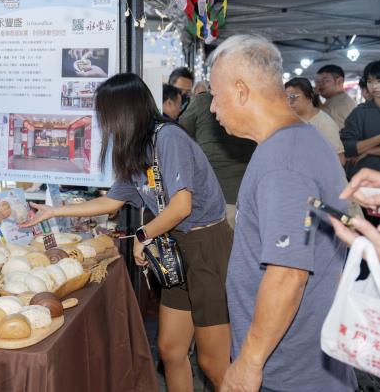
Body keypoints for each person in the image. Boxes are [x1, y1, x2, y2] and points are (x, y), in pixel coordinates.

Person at [25, 73, 233, 392]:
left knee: (212, 363)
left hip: (207, 245)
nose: (102, 122)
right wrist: (55, 210)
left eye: (104, 113)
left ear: (121, 111)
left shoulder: (168, 138)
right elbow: (112, 200)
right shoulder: (137, 149)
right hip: (175, 249)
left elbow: (181, 206)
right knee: (171, 350)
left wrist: (142, 235)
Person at [208, 34, 356, 392]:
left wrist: (249, 362)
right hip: (308, 362)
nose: (212, 107)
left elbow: (289, 274)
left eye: (215, 93)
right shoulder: (298, 141)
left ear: (241, 90)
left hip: (290, 372)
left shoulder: (284, 161)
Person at [179, 91, 256, 228]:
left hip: (210, 197)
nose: (213, 108)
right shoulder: (253, 103)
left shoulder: (203, 101)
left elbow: (180, 133)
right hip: (246, 197)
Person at [341, 60, 380, 225]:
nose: (374, 86)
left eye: (378, 81)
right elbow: (348, 148)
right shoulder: (360, 113)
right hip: (366, 188)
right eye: (370, 81)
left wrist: (368, 151)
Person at [285, 76, 345, 164]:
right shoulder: (290, 121)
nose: (290, 102)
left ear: (310, 97)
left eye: (293, 97)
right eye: (287, 97)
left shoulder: (324, 123)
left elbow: (340, 159)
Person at [315, 64, 356, 129]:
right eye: (317, 81)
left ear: (339, 81)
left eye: (325, 80)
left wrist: (314, 97)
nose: (320, 85)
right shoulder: (335, 100)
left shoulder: (341, 103)